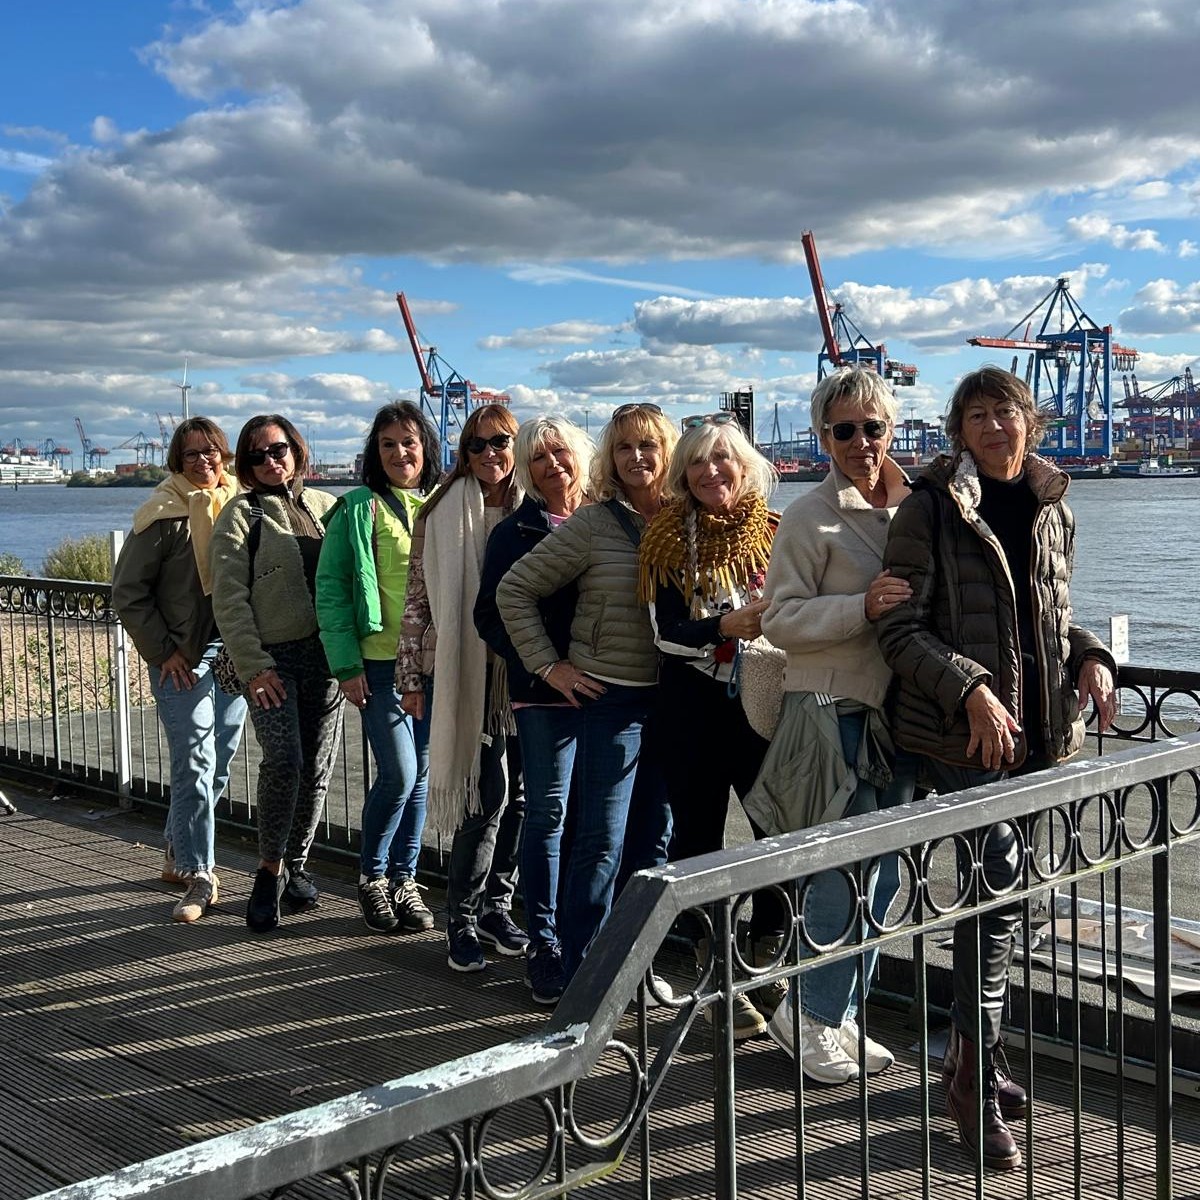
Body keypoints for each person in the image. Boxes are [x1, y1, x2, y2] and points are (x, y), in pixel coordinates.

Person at [878, 366, 1117, 1170]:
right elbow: (900, 630)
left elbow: (1053, 613)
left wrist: (1090, 656)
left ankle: (978, 1060)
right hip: (964, 739)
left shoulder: (1055, 505)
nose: (993, 426)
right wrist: (971, 689)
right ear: (958, 430)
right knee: (998, 898)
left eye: (1005, 412)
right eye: (976, 415)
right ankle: (971, 1089)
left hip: (1040, 740)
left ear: (1030, 423)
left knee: (1012, 907)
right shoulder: (931, 508)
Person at [740, 367, 915, 1078]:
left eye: (872, 427)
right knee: (838, 875)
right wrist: (860, 608)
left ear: (891, 429)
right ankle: (807, 1016)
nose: (861, 442)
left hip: (900, 715)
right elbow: (778, 618)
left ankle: (839, 1015)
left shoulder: (917, 507)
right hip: (832, 710)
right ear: (823, 438)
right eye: (844, 430)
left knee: (885, 877)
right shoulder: (812, 515)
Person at [496, 402, 678, 982]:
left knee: (655, 842)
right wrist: (550, 668)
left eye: (647, 444)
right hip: (613, 701)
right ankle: (584, 970)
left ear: (668, 450)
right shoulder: (596, 524)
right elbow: (513, 590)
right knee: (600, 838)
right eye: (623, 448)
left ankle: (636, 962)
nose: (637, 457)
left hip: (676, 700)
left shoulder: (685, 520)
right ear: (609, 458)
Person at [636, 412, 786, 1039]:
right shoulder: (664, 540)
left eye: (722, 458)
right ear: (682, 474)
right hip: (690, 712)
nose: (710, 471)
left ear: (745, 466)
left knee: (775, 834)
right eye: (696, 461)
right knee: (696, 843)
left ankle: (766, 958)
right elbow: (665, 634)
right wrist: (723, 628)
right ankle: (716, 964)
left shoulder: (777, 533)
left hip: (762, 706)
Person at [396, 403, 528, 973]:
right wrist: (410, 677)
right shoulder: (442, 511)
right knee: (485, 794)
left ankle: (500, 904)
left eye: (501, 442)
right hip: (466, 670)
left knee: (526, 797)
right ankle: (463, 917)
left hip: (531, 671)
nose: (490, 454)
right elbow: (417, 600)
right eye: (477, 445)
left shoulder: (539, 507)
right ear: (462, 454)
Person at [473, 416, 594, 1004]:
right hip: (543, 696)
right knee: (547, 816)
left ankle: (592, 937)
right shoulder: (513, 532)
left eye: (560, 453)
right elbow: (489, 615)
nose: (552, 465)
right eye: (538, 457)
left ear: (581, 455)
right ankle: (544, 942)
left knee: (600, 823)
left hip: (612, 695)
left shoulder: (610, 519)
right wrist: (547, 665)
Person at [210, 415, 343, 933]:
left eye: (279, 449)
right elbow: (229, 598)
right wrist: (253, 665)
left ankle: (297, 866)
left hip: (326, 659)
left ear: (297, 451)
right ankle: (267, 872)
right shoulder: (239, 515)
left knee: (317, 769)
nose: (271, 461)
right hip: (271, 662)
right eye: (259, 454)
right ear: (246, 463)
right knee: (284, 760)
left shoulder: (327, 508)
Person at [112, 417, 246, 923]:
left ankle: (175, 848)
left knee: (220, 761)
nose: (203, 461)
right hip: (181, 658)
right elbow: (128, 593)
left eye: (211, 451)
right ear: (177, 461)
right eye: (191, 455)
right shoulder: (162, 516)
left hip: (233, 653)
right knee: (193, 758)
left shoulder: (240, 504)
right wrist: (162, 651)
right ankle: (199, 874)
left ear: (225, 455)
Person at [316, 402, 441, 936]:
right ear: (375, 453)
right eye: (388, 444)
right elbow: (332, 590)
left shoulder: (441, 505)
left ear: (426, 447)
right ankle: (371, 877)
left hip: (434, 664)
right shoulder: (359, 508)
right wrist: (345, 665)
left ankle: (405, 880)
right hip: (380, 663)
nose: (399, 453)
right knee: (400, 773)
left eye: (408, 442)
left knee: (421, 781)